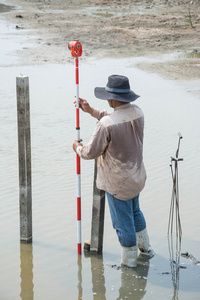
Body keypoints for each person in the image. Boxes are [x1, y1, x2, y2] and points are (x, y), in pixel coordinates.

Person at [72, 75, 154, 267]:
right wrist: (91, 111)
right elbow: (115, 118)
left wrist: (76, 147)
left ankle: (129, 264)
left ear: (113, 99)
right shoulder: (138, 112)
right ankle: (146, 249)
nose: (107, 100)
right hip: (137, 176)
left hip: (118, 183)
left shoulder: (106, 124)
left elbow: (90, 152)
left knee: (122, 224)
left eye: (109, 96)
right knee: (135, 212)